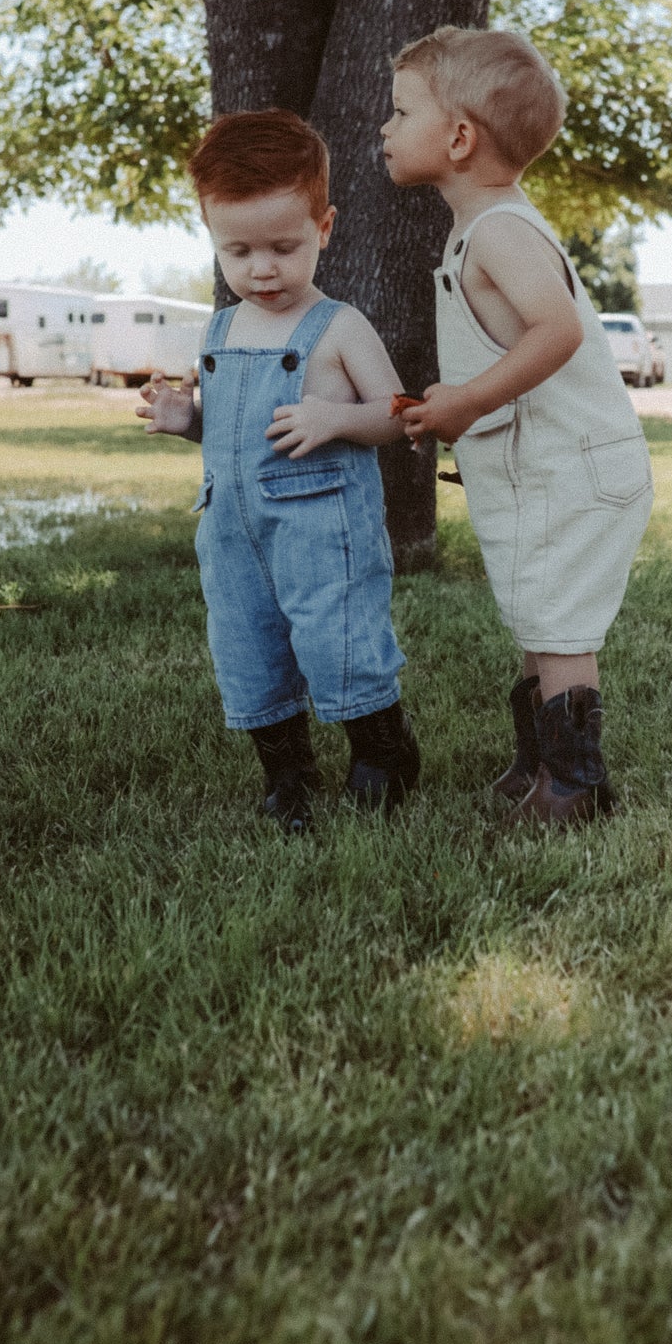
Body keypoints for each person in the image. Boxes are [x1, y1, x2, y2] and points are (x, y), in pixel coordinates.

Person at [385, 26, 652, 825]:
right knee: (540, 614)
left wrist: (468, 403)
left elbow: (557, 331)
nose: (385, 130)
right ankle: (540, 762)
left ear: (459, 138)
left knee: (561, 626)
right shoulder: (481, 227)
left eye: (400, 113)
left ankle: (574, 789)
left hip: (573, 469)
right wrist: (459, 401)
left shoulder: (500, 230)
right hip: (550, 466)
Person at [138, 109, 419, 832]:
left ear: (324, 228)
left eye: (284, 247)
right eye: (238, 251)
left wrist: (337, 419)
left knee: (339, 637)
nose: (262, 269)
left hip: (322, 527)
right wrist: (185, 421)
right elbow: (233, 430)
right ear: (212, 240)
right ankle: (286, 772)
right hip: (232, 529)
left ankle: (383, 754)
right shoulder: (220, 328)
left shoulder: (339, 325)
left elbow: (399, 413)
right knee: (247, 644)